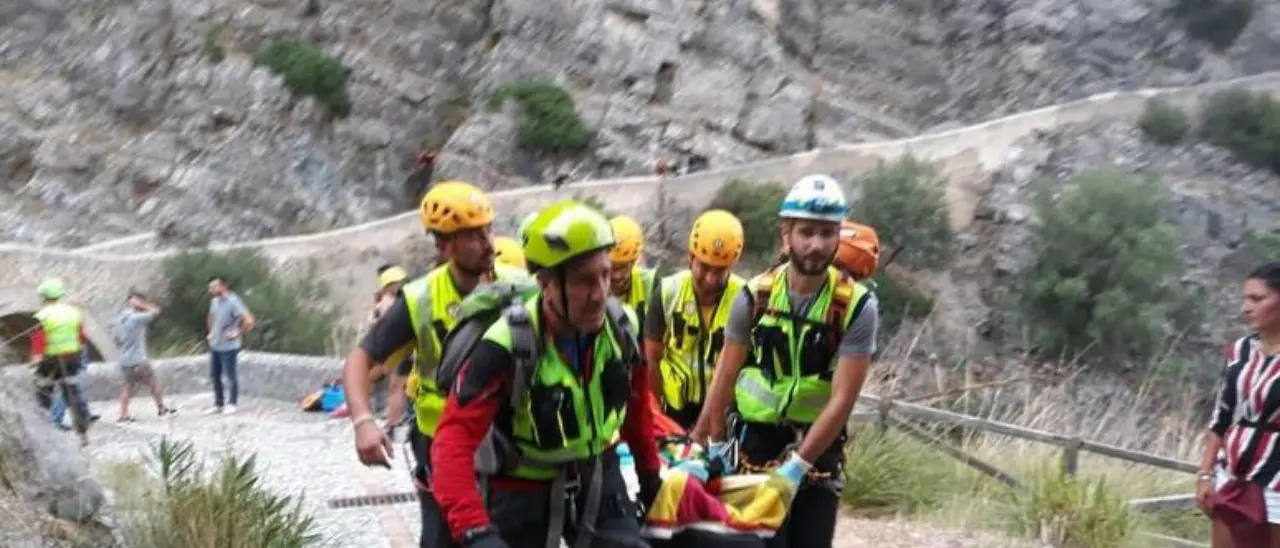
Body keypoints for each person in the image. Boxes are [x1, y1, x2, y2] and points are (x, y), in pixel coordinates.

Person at [430, 199, 663, 548]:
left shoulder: (622, 327)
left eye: (605, 274)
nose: (600, 294)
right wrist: (475, 530)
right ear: (546, 283)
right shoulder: (505, 346)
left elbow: (638, 411)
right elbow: (452, 442)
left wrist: (650, 480)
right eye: (585, 281)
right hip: (521, 491)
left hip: (597, 475)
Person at [690, 174, 881, 548]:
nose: (815, 245)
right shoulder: (754, 297)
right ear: (786, 234)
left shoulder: (855, 307)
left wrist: (798, 464)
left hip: (819, 451)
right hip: (755, 447)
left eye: (827, 233)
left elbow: (843, 399)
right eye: (806, 232)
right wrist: (712, 444)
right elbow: (724, 378)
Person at [345, 181, 526, 548]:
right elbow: (360, 360)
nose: (488, 243)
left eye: (488, 230)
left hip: (510, 439)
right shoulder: (420, 298)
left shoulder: (520, 287)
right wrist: (363, 422)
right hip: (441, 444)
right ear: (444, 246)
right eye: (473, 236)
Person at [1198, 261, 1280, 547]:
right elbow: (1221, 417)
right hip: (1232, 476)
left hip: (1276, 484)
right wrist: (1205, 475)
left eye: (1257, 299)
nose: (1246, 308)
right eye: (1245, 298)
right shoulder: (1240, 351)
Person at [645, 209, 748, 429]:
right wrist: (655, 415)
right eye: (704, 267)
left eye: (720, 270)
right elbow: (651, 358)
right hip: (676, 410)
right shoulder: (667, 293)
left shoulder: (745, 298)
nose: (711, 279)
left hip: (725, 411)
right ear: (690, 257)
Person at [28, 279, 97, 446]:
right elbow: (80, 338)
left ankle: (44, 432)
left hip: (50, 361)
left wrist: (34, 365)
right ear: (60, 296)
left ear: (43, 298)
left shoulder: (41, 317)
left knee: (43, 393)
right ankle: (83, 435)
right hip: (71, 358)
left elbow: (38, 345)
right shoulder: (74, 313)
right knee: (73, 395)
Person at [115, 292, 177, 422]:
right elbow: (156, 311)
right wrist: (143, 304)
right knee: (153, 384)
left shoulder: (121, 318)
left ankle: (123, 414)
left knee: (128, 387)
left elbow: (117, 340)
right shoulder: (136, 318)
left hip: (125, 360)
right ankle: (162, 408)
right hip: (138, 359)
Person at [205, 275, 255, 415]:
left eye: (214, 286)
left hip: (229, 346)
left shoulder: (233, 301)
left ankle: (232, 403)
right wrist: (210, 333)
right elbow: (211, 316)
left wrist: (237, 333)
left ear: (223, 286)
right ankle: (218, 404)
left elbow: (249, 320)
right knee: (215, 375)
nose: (212, 289)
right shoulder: (214, 301)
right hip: (216, 344)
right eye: (211, 287)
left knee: (230, 375)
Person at [607, 215, 656, 339]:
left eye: (623, 267)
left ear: (634, 262)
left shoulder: (652, 284)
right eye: (612, 267)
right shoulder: (590, 291)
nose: (617, 276)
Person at [368, 265, 409, 415]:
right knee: (396, 384)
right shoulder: (395, 302)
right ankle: (394, 415)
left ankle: (391, 415)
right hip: (397, 348)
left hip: (392, 348)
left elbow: (377, 323)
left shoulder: (388, 302)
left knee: (394, 384)